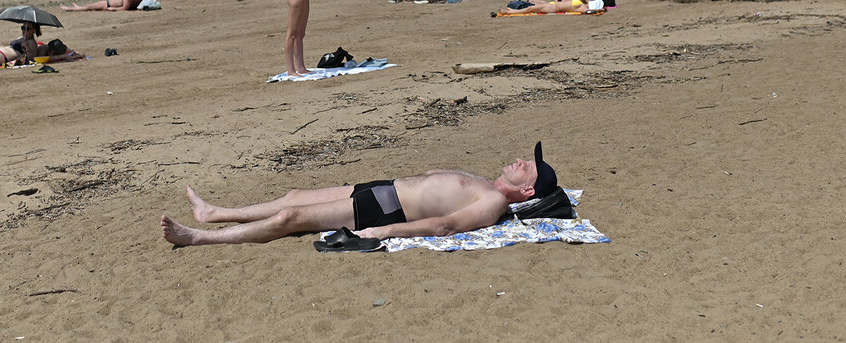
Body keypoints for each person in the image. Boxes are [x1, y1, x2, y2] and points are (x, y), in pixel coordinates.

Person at [160, 141, 559, 246]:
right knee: (293, 196)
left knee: (289, 220)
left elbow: (443, 225)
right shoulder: (487, 184)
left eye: (528, 166)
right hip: (381, 189)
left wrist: (382, 233)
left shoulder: (492, 202)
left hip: (385, 209)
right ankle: (215, 213)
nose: (520, 160)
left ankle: (199, 237)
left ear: (526, 189)